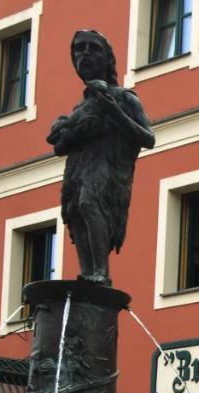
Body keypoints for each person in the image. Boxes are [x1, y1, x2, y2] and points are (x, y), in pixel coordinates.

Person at [47, 30, 155, 285]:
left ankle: (101, 274)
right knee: (75, 212)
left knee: (89, 203)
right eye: (79, 49)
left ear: (108, 59)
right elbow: (60, 148)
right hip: (77, 172)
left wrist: (113, 112)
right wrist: (63, 131)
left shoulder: (123, 97)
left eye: (92, 48)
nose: (84, 54)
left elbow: (148, 138)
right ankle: (88, 274)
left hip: (107, 171)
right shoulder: (79, 108)